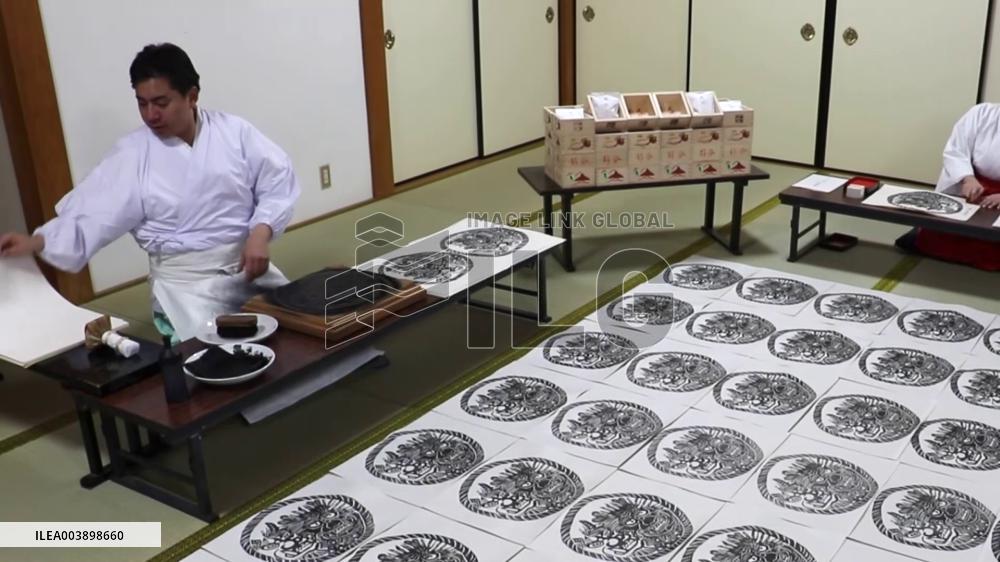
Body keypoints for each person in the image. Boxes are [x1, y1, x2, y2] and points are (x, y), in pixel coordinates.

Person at [0, 43, 301, 341]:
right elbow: (93, 213)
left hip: (248, 270)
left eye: (161, 102)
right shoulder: (133, 154)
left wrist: (259, 235)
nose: (150, 114)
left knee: (301, 330)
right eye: (142, 103)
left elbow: (277, 181)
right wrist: (37, 241)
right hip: (185, 288)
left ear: (192, 96)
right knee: (214, 361)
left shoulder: (235, 132)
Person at [895, 103, 1000, 270]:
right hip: (973, 186)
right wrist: (967, 178)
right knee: (941, 235)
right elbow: (955, 150)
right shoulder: (982, 113)